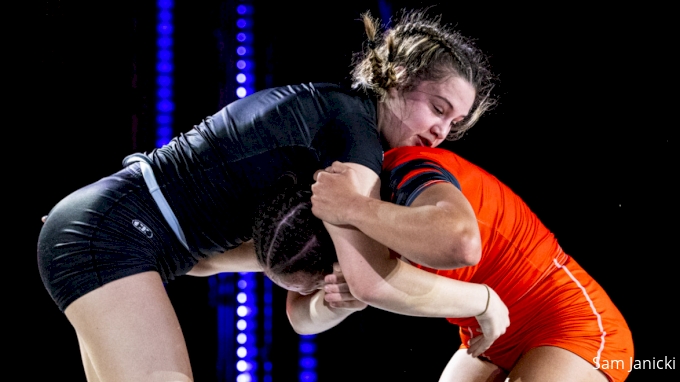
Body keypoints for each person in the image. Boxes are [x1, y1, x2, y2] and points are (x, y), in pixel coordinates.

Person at [37, 9, 501, 382]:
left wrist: (328, 287)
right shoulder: (353, 137)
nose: (441, 131)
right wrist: (481, 301)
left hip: (102, 230)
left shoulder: (336, 117)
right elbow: (373, 283)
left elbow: (205, 261)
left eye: (454, 124)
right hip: (110, 233)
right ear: (397, 77)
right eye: (438, 109)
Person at [256, 146, 634, 382]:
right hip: (488, 338)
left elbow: (457, 246)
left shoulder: (407, 173)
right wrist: (331, 300)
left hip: (567, 318)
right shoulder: (311, 226)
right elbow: (300, 318)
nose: (441, 130)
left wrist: (356, 282)